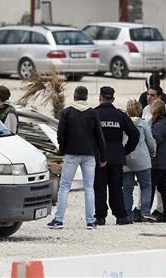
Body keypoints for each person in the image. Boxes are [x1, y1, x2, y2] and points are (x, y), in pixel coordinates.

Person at [47, 86, 106, 230]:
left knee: (65, 186)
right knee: (89, 188)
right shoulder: (93, 113)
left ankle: (59, 220)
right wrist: (103, 156)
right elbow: (99, 136)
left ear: (74, 96)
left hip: (71, 153)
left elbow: (60, 134)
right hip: (89, 155)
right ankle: (90, 221)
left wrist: (62, 150)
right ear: (86, 97)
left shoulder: (66, 112)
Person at [94, 86, 140, 225]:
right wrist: (126, 150)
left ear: (100, 97)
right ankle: (121, 216)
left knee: (100, 187)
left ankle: (100, 217)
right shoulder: (120, 115)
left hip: (99, 157)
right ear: (113, 99)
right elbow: (135, 134)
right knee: (116, 187)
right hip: (116, 157)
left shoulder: (95, 114)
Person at [122, 100, 156, 223]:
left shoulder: (123, 123)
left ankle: (127, 214)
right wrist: (152, 153)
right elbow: (150, 141)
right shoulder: (143, 124)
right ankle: (145, 212)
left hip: (126, 159)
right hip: (142, 159)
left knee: (127, 188)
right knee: (146, 186)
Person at [149, 99, 166, 223]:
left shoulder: (158, 126)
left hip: (158, 161)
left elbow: (154, 142)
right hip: (165, 161)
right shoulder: (165, 124)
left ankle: (146, 211)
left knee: (152, 186)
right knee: (163, 187)